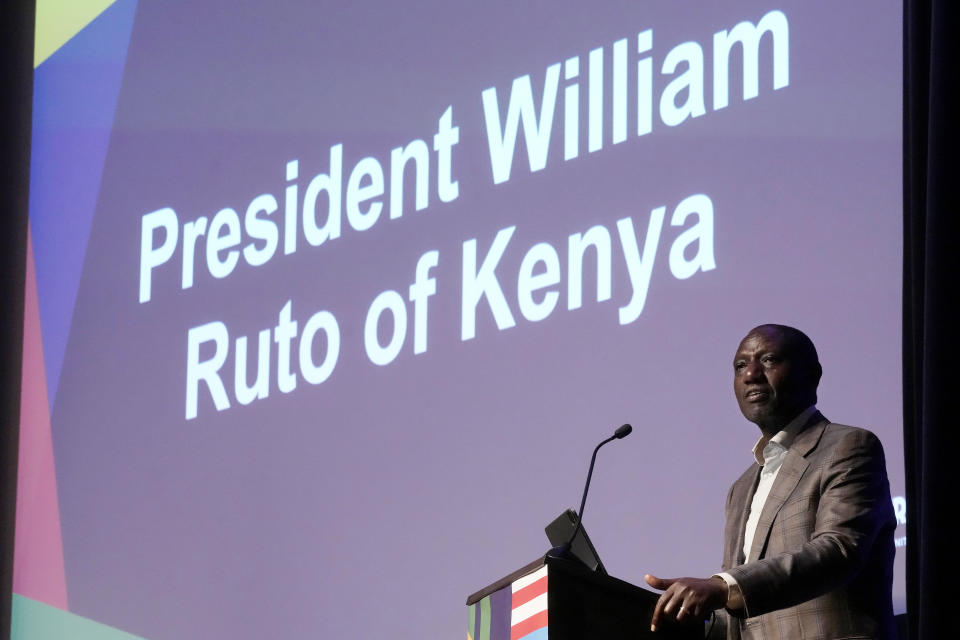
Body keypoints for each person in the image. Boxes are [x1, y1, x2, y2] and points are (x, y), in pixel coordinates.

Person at [644, 324, 897, 639]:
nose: (751, 374)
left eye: (768, 360)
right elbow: (740, 613)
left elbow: (839, 550)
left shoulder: (849, 446)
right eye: (740, 366)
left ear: (812, 375)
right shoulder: (741, 488)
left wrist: (721, 586)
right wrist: (686, 617)